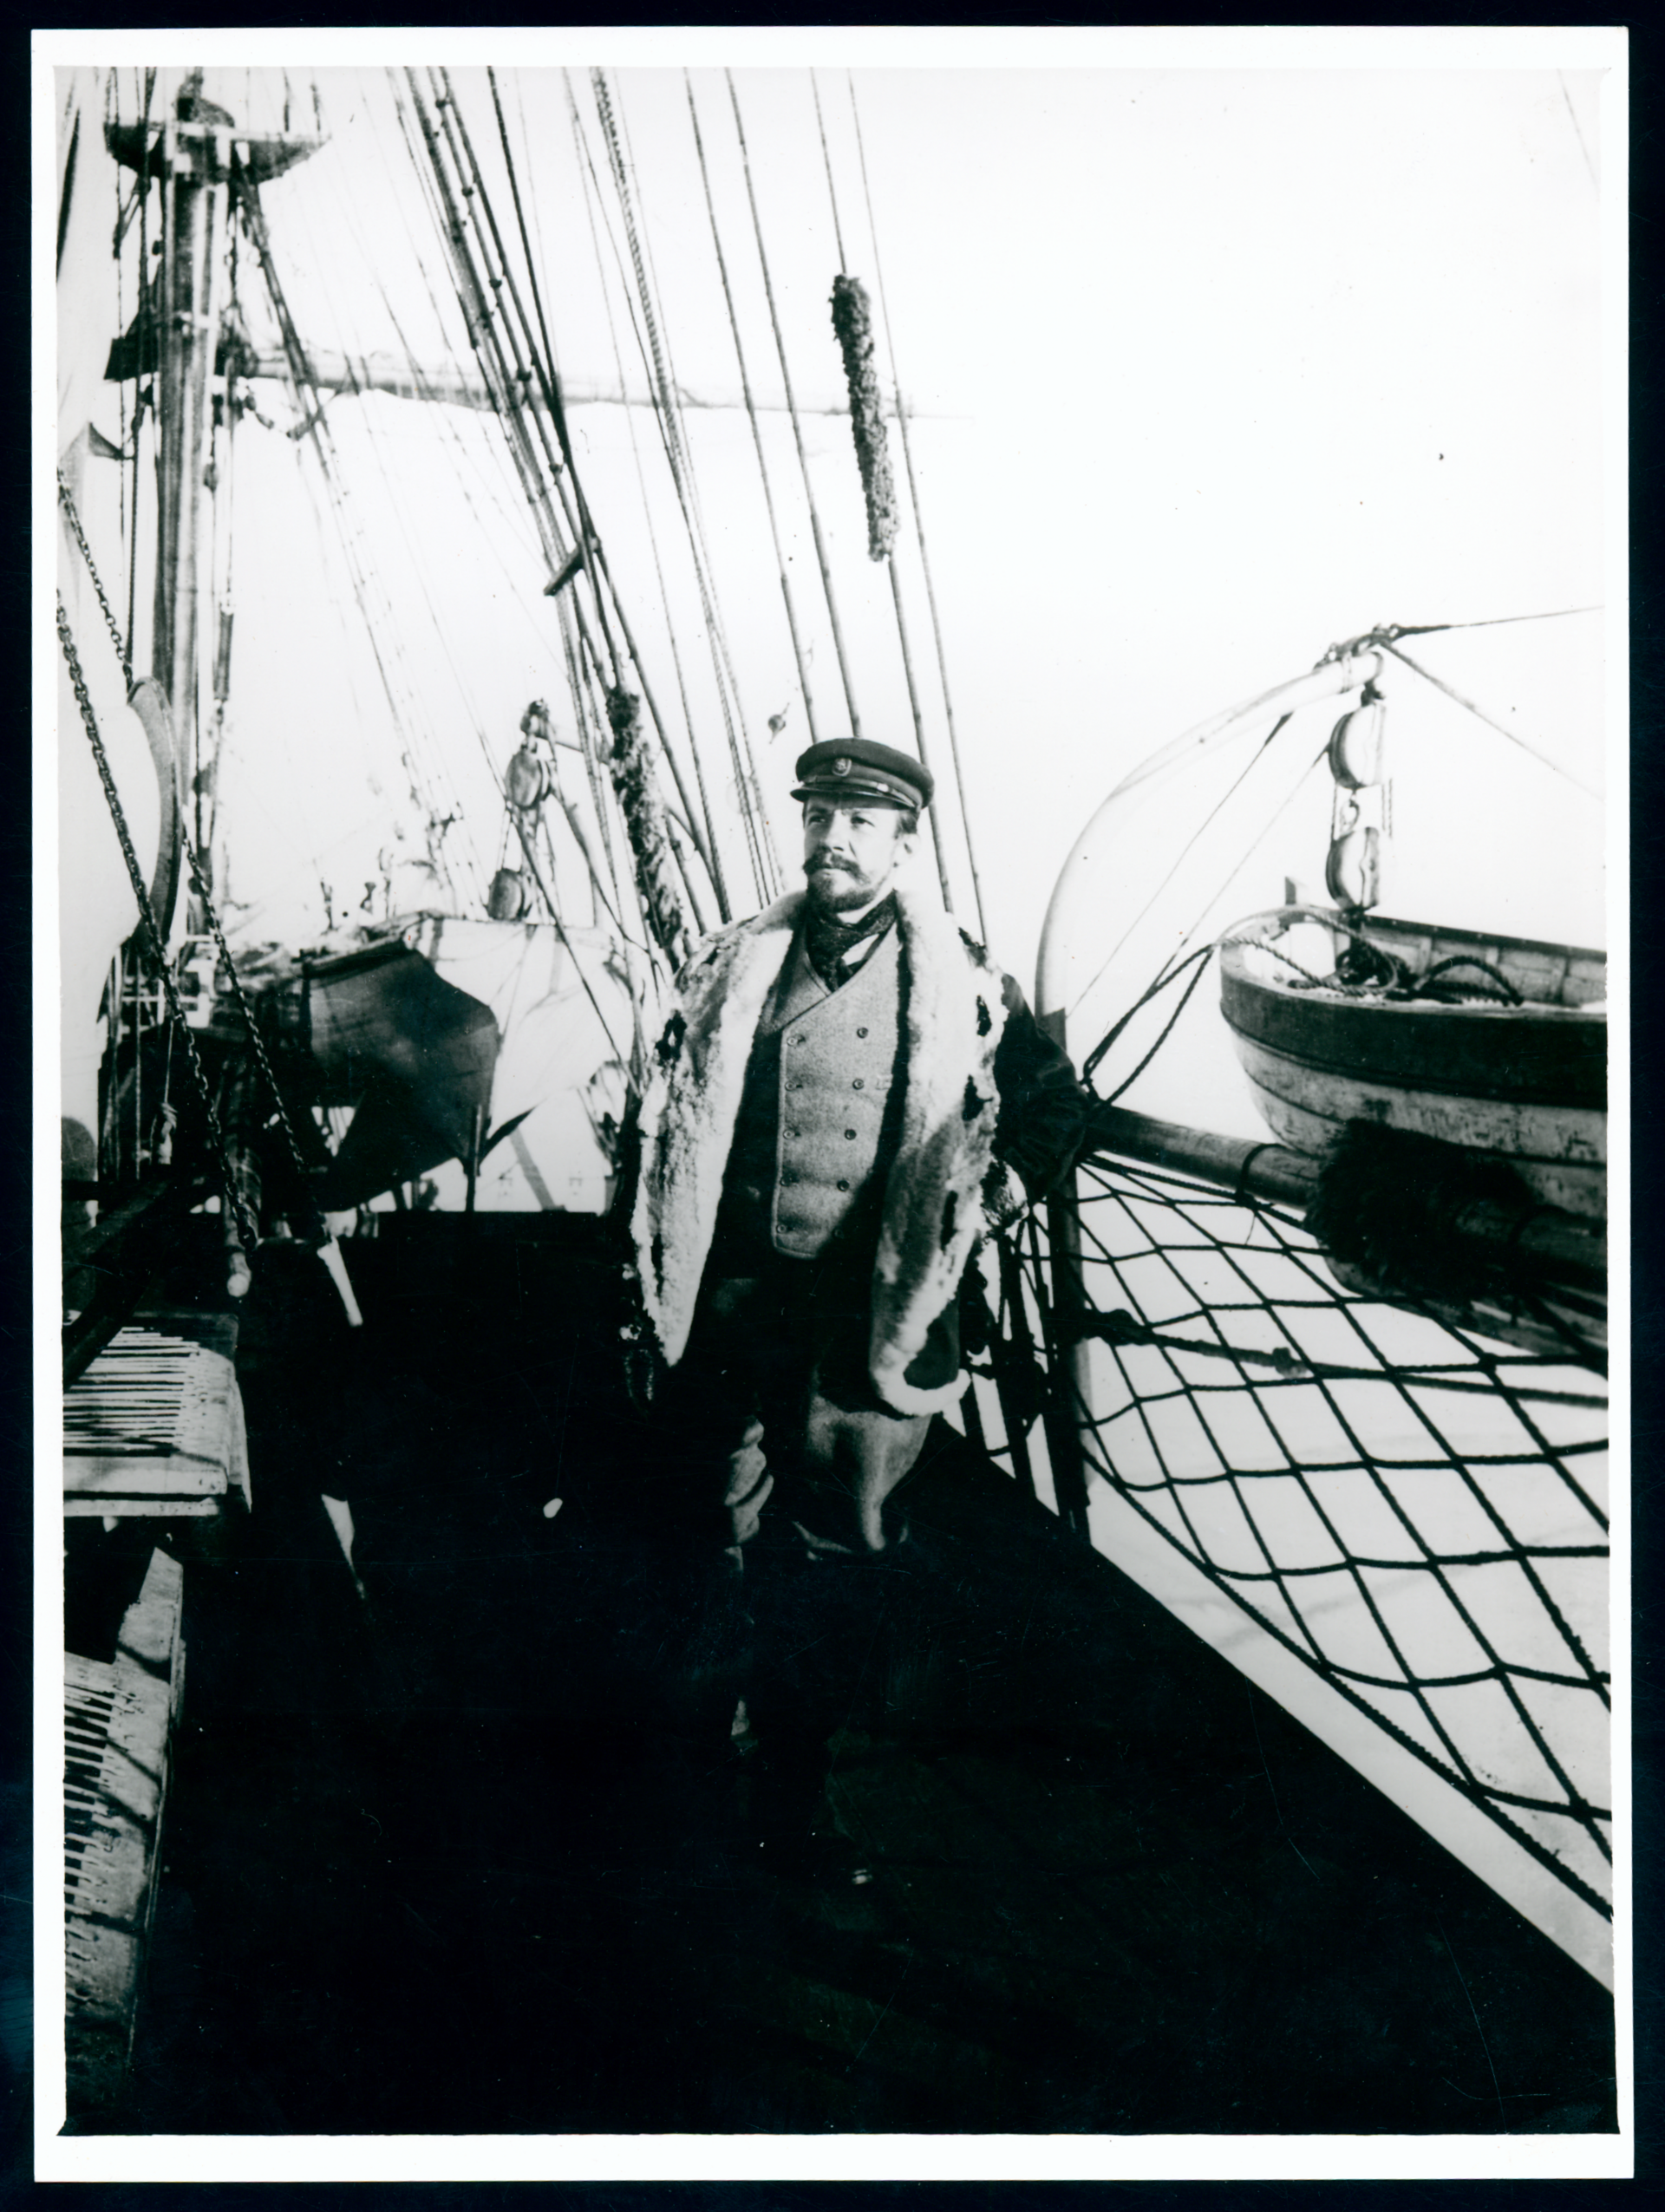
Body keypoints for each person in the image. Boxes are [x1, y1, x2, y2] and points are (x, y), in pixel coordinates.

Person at [627, 738, 1091, 1883]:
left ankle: (794, 1800)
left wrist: (995, 1190)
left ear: (901, 842)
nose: (834, 839)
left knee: (837, 1562)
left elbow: (1053, 1106)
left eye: (858, 822)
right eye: (820, 816)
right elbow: (661, 1130)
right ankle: (682, 1778)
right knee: (700, 1541)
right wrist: (639, 1285)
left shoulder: (968, 981)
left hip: (863, 1328)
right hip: (729, 1307)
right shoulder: (735, 962)